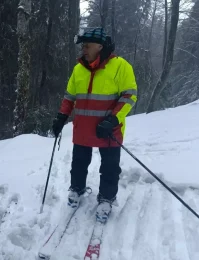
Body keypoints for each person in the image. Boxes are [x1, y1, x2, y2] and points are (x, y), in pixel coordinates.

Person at [52, 28, 137, 223]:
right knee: (79, 163)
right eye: (83, 46)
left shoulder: (120, 66)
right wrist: (61, 117)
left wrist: (113, 120)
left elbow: (130, 96)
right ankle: (76, 189)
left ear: (100, 46)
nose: (84, 49)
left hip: (108, 129)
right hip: (83, 128)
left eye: (87, 46)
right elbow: (69, 97)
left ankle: (106, 199)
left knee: (109, 167)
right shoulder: (78, 68)